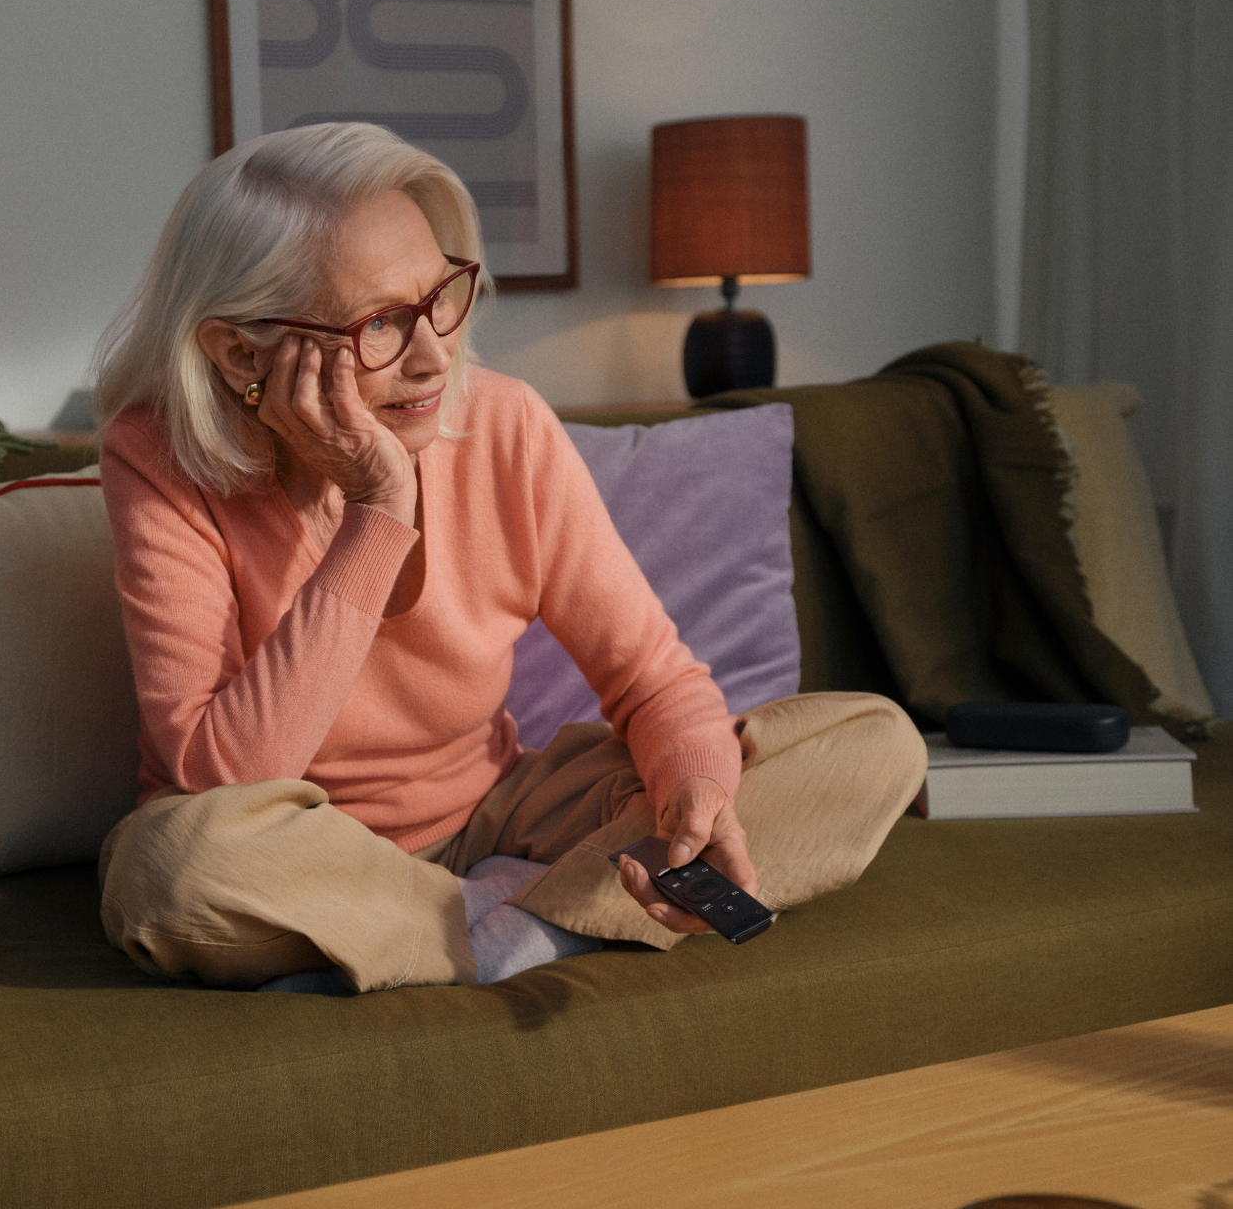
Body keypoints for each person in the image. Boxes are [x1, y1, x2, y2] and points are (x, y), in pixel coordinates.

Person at [94, 122, 925, 992]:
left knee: (876, 745)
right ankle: (524, 921)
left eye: (440, 296)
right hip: (292, 843)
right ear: (239, 354)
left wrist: (694, 795)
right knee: (174, 872)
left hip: (498, 812)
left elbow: (653, 681)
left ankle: (440, 934)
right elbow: (224, 777)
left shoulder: (506, 424)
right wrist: (378, 511)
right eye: (381, 322)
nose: (433, 354)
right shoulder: (156, 457)